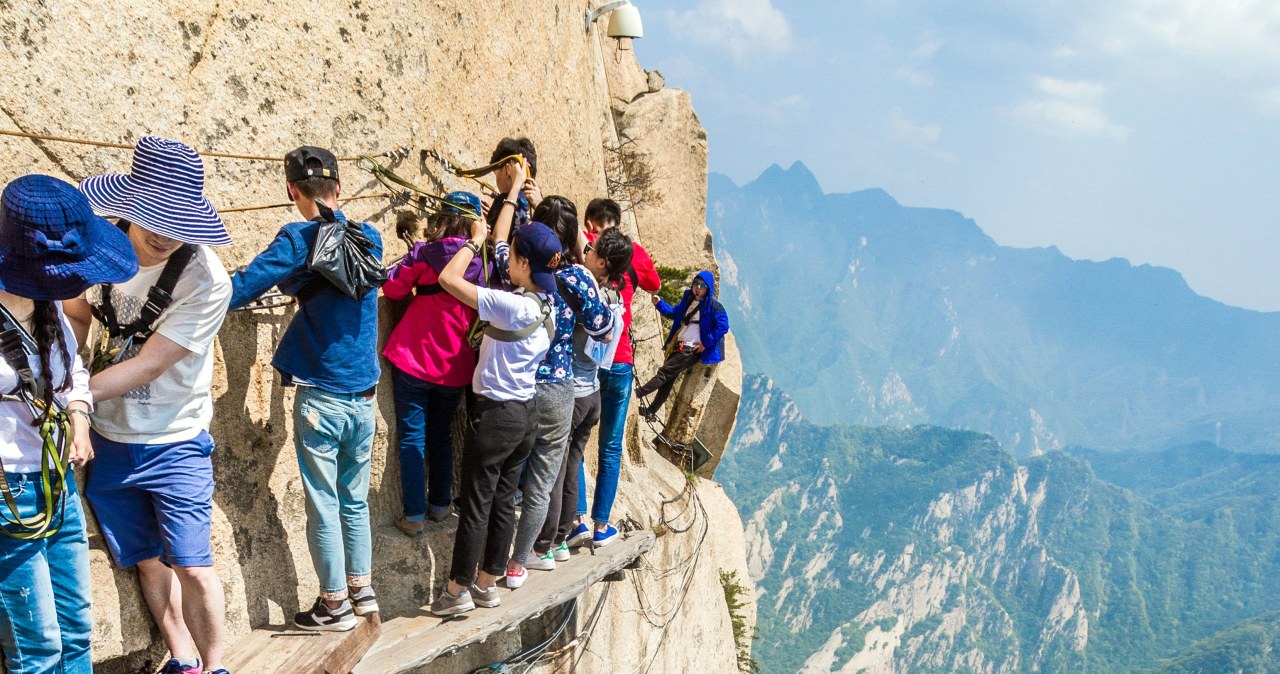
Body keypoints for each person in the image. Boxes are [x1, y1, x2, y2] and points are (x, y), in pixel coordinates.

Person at [66, 136, 234, 674]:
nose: (164, 234)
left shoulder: (206, 279)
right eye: (154, 217)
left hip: (174, 436)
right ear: (131, 205)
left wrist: (74, 397)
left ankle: (216, 666)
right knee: (143, 558)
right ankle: (181, 655)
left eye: (178, 221)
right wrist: (69, 349)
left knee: (193, 564)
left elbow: (151, 363)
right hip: (111, 436)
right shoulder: (98, 244)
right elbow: (74, 309)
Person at [227, 146, 382, 632]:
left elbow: (244, 287)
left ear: (292, 191)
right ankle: (362, 590)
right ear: (338, 188)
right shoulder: (370, 237)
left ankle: (333, 604)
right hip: (365, 396)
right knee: (353, 499)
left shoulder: (298, 238)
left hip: (322, 398)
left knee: (323, 502)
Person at [0, 175, 137, 674]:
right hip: (7, 490)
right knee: (38, 645)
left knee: (76, 629)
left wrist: (79, 416)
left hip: (55, 478)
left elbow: (71, 369)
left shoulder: (45, 299)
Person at [429, 175, 561, 616]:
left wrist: (473, 241)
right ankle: (488, 584)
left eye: (515, 258)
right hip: (525, 415)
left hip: (497, 415)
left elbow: (449, 279)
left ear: (522, 262)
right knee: (505, 503)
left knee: (476, 505)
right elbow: (510, 255)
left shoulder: (512, 305)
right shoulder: (546, 306)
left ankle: (455, 592)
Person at [501, 195, 614, 589]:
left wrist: (511, 199)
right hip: (563, 385)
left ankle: (494, 566)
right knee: (546, 476)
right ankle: (529, 557)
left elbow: (503, 250)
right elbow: (602, 327)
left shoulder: (523, 269)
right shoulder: (580, 277)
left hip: (519, 382)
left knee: (509, 473)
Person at [382, 192, 489, 535]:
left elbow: (395, 290)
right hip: (455, 365)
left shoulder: (424, 254)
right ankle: (440, 505)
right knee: (441, 436)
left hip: (414, 356)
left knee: (412, 437)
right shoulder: (484, 264)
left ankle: (413, 515)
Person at [533, 227, 632, 564]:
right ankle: (566, 534)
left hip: (570, 392)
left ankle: (549, 542)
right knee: (572, 463)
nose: (584, 251)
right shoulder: (613, 297)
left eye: (592, 250)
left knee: (556, 469)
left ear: (601, 262)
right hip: (593, 395)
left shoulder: (581, 290)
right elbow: (587, 253)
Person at [572, 198, 660, 547]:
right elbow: (653, 284)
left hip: (590, 361)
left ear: (591, 223)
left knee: (576, 439)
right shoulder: (633, 253)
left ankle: (576, 519)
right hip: (620, 359)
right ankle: (601, 526)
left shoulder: (587, 247)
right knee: (610, 446)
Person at [636, 271, 730, 420]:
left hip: (691, 349)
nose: (698, 287)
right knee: (668, 379)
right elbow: (675, 313)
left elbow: (723, 326)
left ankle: (637, 394)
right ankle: (652, 411)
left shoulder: (714, 306)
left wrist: (706, 342)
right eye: (696, 284)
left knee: (664, 373)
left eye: (702, 285)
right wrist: (659, 304)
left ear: (708, 288)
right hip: (679, 345)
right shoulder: (689, 299)